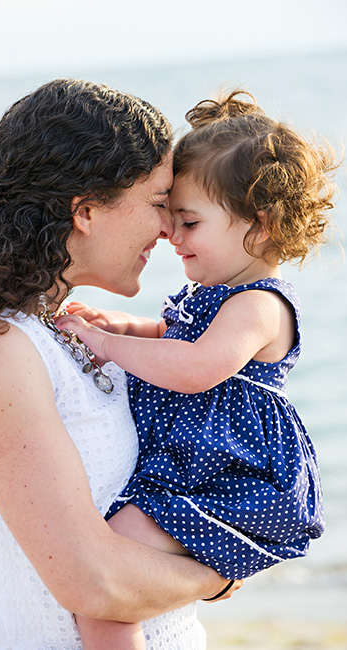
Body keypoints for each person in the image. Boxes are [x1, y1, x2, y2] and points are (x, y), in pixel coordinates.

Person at [0, 79, 239, 649]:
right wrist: (218, 574)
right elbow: (94, 582)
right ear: (86, 210)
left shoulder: (52, 327)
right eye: (158, 203)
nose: (169, 229)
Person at [57, 90, 334, 650]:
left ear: (260, 225)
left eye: (188, 222)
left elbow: (197, 367)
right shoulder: (212, 292)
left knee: (105, 585)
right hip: (188, 468)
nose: (171, 237)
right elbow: (174, 339)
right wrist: (124, 325)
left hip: (225, 478)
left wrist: (104, 345)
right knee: (105, 584)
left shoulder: (260, 304)